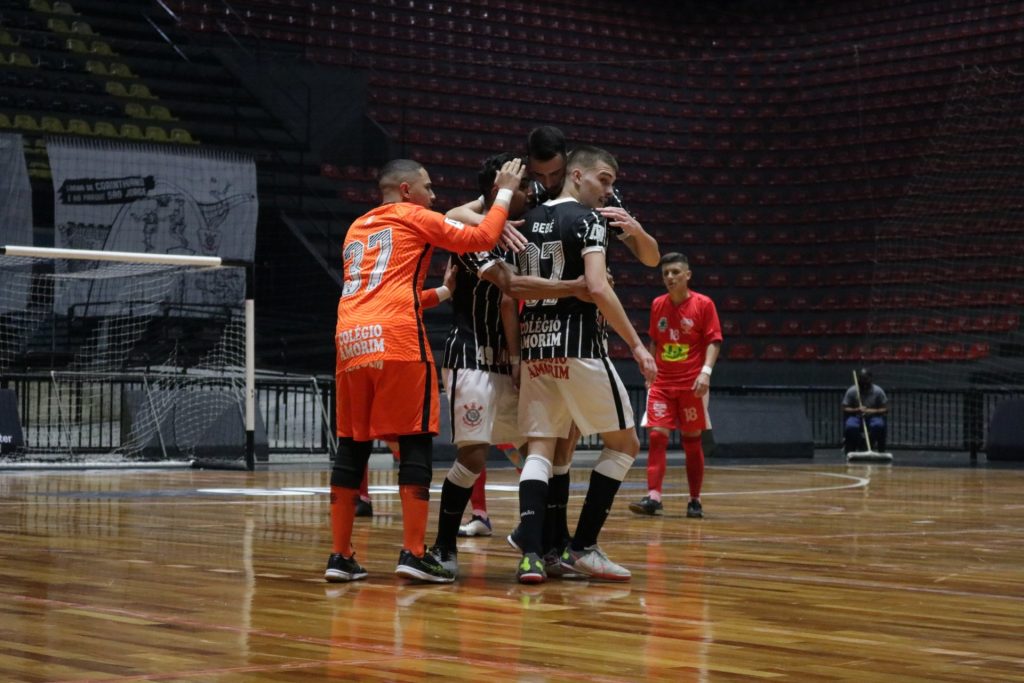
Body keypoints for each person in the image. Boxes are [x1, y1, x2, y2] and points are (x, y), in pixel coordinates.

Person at [325, 156, 525, 584]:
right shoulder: (415, 216)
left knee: (352, 445)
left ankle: (340, 556)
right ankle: (414, 553)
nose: (434, 196)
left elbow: (385, 293)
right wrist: (505, 191)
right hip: (397, 341)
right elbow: (484, 236)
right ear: (405, 190)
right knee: (416, 442)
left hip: (350, 340)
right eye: (428, 187)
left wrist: (442, 292)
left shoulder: (358, 227)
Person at [429, 152, 589, 577]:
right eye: (522, 185)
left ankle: (549, 545)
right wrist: (577, 285)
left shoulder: (529, 223)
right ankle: (444, 548)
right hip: (472, 355)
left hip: (514, 361)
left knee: (542, 450)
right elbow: (509, 287)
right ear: (500, 191)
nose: (531, 190)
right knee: (474, 455)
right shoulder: (469, 232)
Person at [512, 145, 657, 584]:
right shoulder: (589, 219)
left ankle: (533, 556)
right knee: (625, 444)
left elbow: (650, 256)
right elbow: (596, 285)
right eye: (605, 180)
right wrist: (635, 344)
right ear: (577, 175)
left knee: (541, 448)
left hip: (536, 346)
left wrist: (634, 230)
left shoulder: (530, 219)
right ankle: (584, 547)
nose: (609, 191)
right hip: (579, 346)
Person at [629, 253, 722, 519]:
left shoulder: (704, 304)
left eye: (675, 272)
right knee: (657, 436)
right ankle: (654, 497)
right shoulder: (658, 304)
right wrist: (649, 367)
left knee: (692, 441)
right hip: (662, 383)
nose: (669, 277)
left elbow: (714, 341)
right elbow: (655, 342)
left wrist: (705, 373)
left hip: (692, 384)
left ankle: (694, 500)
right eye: (666, 273)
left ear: (687, 275)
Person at [843, 368, 888, 452]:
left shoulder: (878, 391)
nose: (864, 383)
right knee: (850, 427)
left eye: (866, 379)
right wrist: (856, 410)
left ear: (871, 379)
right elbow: (845, 408)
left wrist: (870, 411)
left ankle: (869, 444)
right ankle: (861, 444)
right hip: (856, 416)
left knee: (878, 426)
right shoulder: (852, 391)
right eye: (862, 379)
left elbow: (885, 409)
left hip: (873, 417)